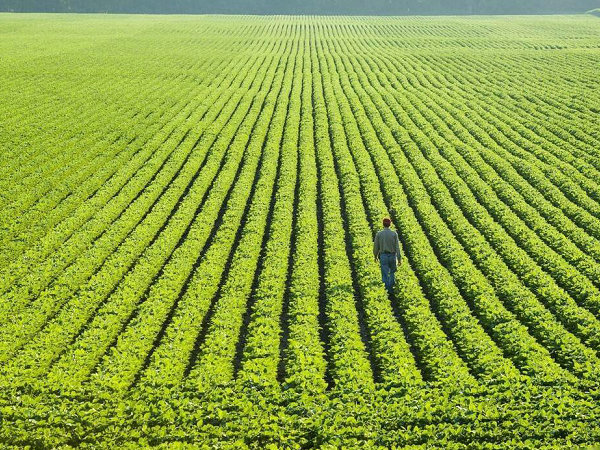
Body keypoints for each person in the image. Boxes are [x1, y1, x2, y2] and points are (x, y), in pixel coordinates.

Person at [373, 217, 402, 294]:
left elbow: (376, 247)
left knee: (385, 273)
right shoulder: (394, 234)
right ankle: (391, 289)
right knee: (392, 272)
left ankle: (386, 290)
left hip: (383, 256)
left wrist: (375, 256)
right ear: (390, 224)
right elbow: (397, 247)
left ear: (383, 224)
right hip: (392, 256)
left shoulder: (379, 234)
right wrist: (399, 258)